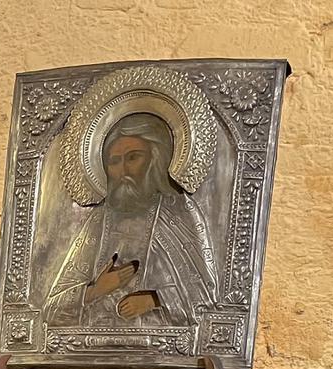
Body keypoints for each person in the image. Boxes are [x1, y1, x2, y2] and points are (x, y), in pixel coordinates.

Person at [46, 111, 217, 328]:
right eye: (115, 161)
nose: (123, 170)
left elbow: (206, 300)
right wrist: (95, 291)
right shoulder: (99, 219)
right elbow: (51, 309)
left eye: (133, 157)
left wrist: (155, 299)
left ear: (155, 159)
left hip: (160, 351)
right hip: (94, 348)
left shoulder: (178, 213)